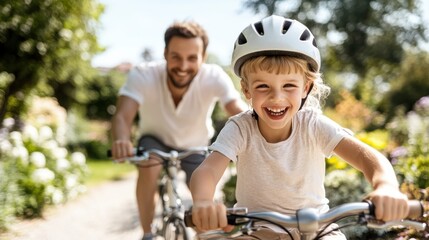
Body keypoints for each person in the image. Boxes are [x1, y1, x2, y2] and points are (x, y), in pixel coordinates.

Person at [189, 15, 409, 239]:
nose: (277, 97)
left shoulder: (312, 125)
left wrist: (386, 186)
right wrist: (204, 202)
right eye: (263, 86)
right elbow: (207, 171)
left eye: (289, 86)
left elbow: (367, 158)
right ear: (246, 91)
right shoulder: (240, 128)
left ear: (306, 87)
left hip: (317, 228)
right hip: (259, 230)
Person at [110, 20, 247, 240]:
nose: (183, 66)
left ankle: (206, 235)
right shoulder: (143, 74)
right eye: (176, 57)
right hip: (155, 139)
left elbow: (238, 112)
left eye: (192, 58)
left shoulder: (214, 76)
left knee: (204, 198)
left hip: (196, 145)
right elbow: (123, 116)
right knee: (149, 165)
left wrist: (256, 136)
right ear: (165, 53)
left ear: (203, 57)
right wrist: (122, 140)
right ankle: (147, 234)